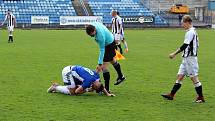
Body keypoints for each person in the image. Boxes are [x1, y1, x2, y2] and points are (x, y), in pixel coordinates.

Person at [161, 15, 205, 103]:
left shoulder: (190, 32)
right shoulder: (191, 31)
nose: (182, 25)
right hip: (186, 59)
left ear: (188, 22)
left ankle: (201, 97)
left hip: (190, 59)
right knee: (180, 76)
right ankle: (171, 95)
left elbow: (185, 45)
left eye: (183, 23)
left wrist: (174, 54)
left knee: (194, 78)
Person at [86, 22, 126, 92]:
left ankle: (107, 89)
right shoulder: (93, 25)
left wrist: (100, 63)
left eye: (92, 35)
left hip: (108, 45)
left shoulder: (100, 36)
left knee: (103, 67)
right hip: (111, 40)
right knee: (112, 60)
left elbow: (102, 49)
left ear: (94, 30)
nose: (92, 36)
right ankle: (121, 76)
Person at [47, 65, 115, 97]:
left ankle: (66, 86)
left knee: (78, 86)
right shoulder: (88, 82)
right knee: (72, 92)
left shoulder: (97, 77)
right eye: (94, 88)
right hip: (68, 72)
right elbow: (77, 92)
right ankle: (55, 87)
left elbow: (101, 86)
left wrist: (107, 94)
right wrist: (87, 90)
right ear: (94, 86)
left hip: (74, 70)